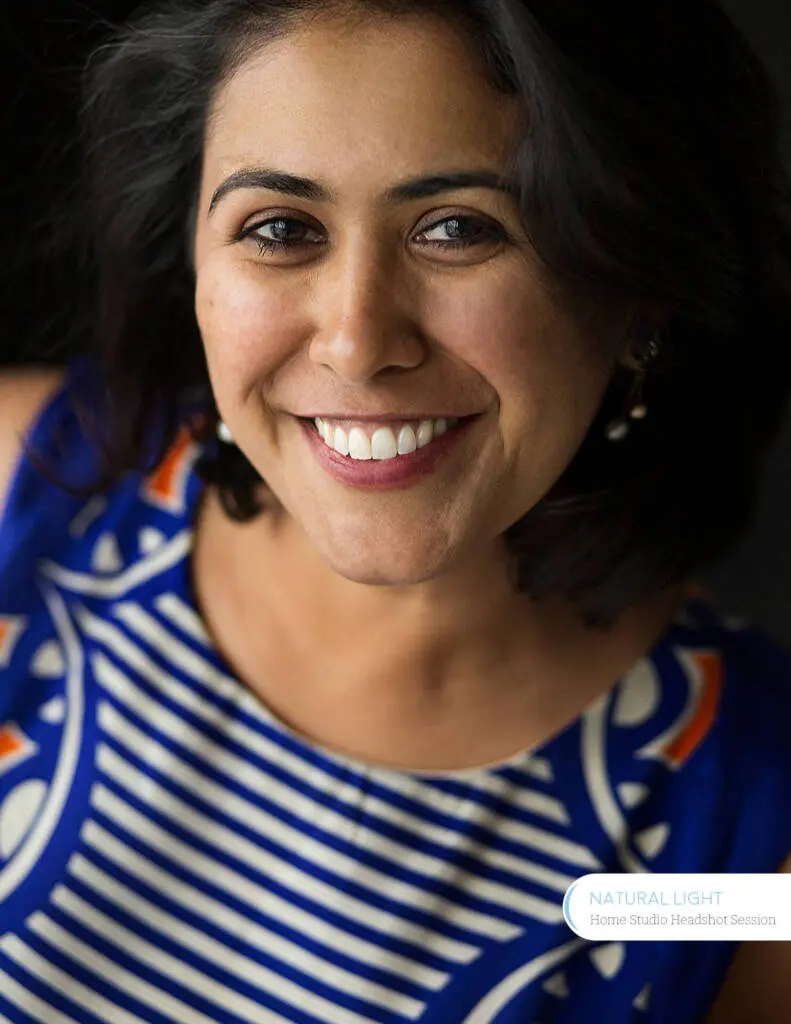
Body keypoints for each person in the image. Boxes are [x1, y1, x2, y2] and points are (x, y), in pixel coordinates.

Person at [0, 0, 790, 1020]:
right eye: (279, 228)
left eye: (458, 228)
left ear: (638, 286)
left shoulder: (748, 857)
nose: (356, 339)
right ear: (190, 265)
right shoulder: (18, 490)